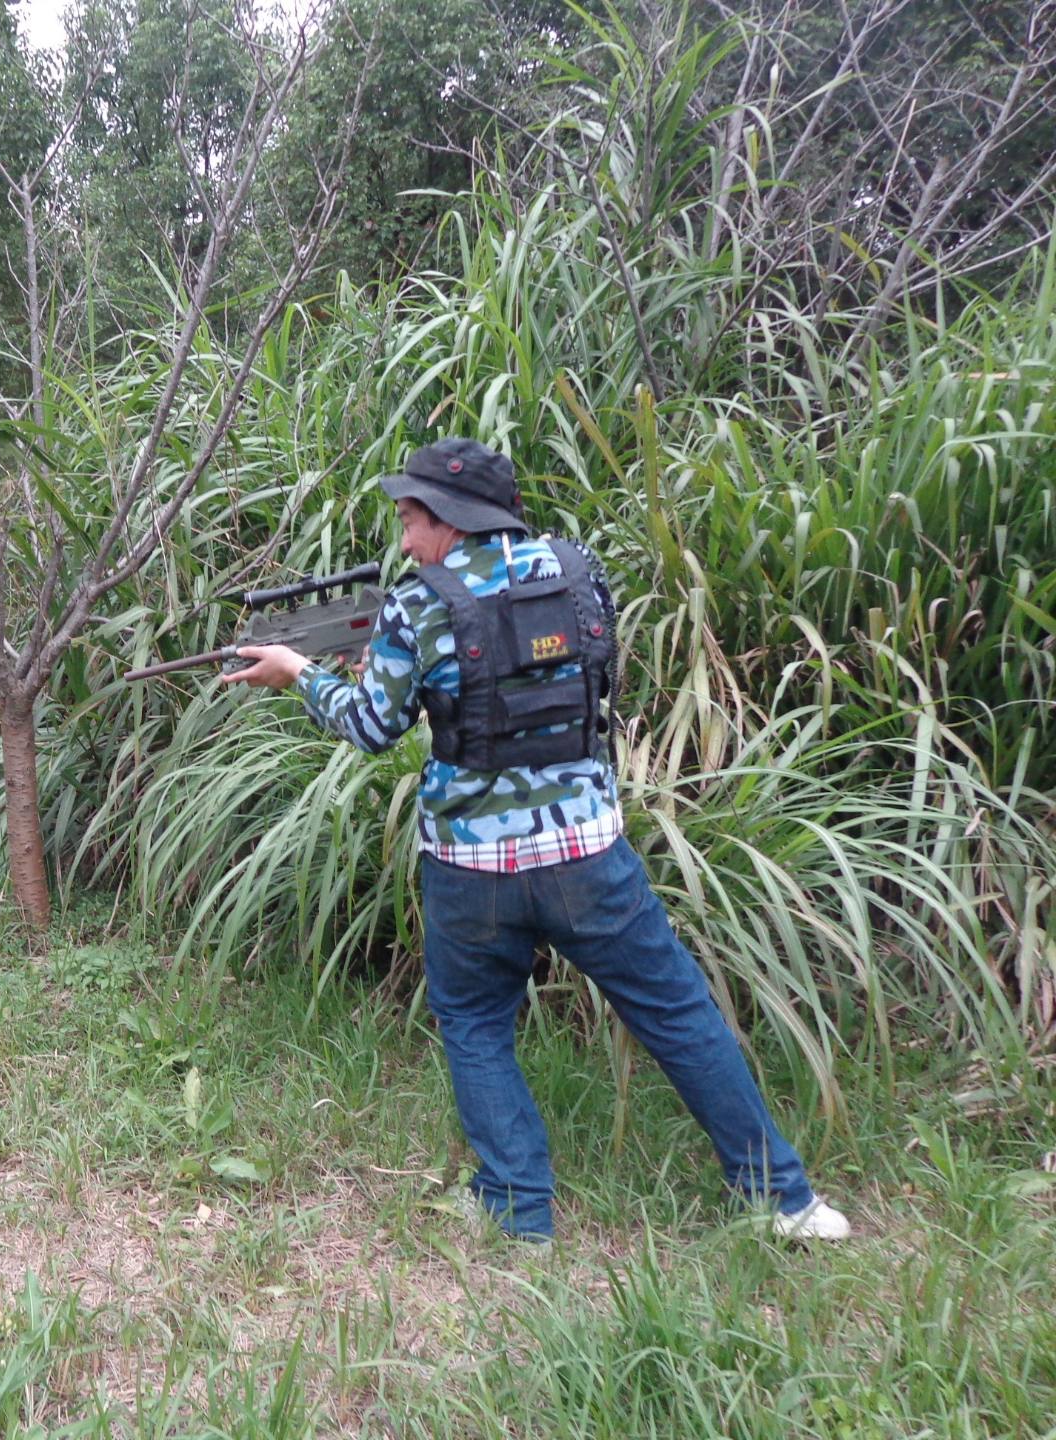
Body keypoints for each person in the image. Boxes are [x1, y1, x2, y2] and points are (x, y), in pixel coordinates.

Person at [224, 438, 850, 1244]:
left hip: (471, 868)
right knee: (678, 1011)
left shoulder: (417, 605)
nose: (407, 541)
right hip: (589, 855)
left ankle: (519, 1212)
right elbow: (582, 675)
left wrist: (300, 673)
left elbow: (374, 726)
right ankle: (787, 1201)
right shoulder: (582, 567)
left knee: (477, 1022)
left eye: (412, 520)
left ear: (449, 518)